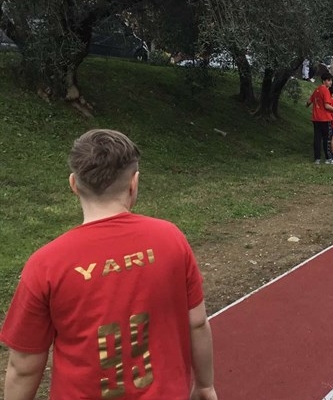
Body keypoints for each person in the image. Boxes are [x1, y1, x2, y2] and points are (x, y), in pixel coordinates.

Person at [0, 129, 216, 400]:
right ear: (134, 183)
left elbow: (23, 367)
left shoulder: (45, 265)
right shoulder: (170, 238)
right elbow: (196, 323)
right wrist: (205, 386)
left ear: (73, 185)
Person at [306, 72, 333, 164]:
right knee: (327, 139)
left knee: (317, 138)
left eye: (331, 80)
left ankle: (317, 158)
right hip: (325, 118)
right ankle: (329, 158)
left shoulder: (317, 89)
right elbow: (327, 106)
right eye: (329, 80)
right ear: (324, 81)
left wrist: (310, 105)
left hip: (316, 118)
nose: (330, 82)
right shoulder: (325, 91)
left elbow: (309, 101)